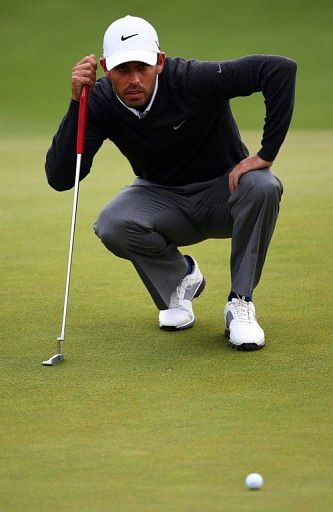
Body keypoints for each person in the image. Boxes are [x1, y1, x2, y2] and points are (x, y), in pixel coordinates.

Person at [45, 15, 297, 351]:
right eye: (122, 70)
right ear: (105, 68)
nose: (134, 79)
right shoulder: (101, 100)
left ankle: (240, 304)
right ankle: (180, 280)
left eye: (143, 67)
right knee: (112, 223)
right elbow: (62, 178)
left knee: (264, 184)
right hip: (161, 199)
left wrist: (265, 153)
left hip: (225, 195)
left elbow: (278, 69)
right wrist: (78, 103)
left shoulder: (192, 79)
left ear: (160, 62)